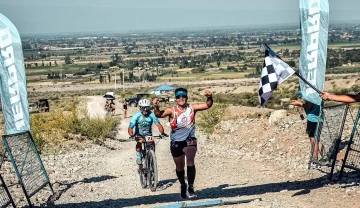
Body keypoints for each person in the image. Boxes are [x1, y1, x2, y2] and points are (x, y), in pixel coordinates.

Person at [152, 88, 213, 199]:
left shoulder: (192, 108)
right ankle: (183, 184)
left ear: (186, 97)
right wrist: (155, 106)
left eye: (183, 96)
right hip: (176, 142)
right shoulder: (172, 110)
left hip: (190, 139)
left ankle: (190, 186)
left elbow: (207, 105)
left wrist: (209, 97)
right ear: (176, 99)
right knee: (180, 167)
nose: (181, 99)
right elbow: (158, 115)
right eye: (178, 97)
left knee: (190, 161)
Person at [128, 99, 167, 165]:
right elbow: (130, 127)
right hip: (139, 134)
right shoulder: (136, 116)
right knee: (139, 142)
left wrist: (162, 132)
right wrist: (132, 135)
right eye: (143, 108)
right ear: (140, 108)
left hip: (149, 135)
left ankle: (151, 162)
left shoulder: (152, 115)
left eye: (147, 108)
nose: (145, 110)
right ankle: (138, 157)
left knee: (152, 147)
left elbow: (158, 125)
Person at [291, 99, 325, 168]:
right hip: (318, 118)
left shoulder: (312, 96)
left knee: (313, 139)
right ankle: (325, 157)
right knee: (316, 139)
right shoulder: (318, 93)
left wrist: (299, 104)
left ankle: (315, 161)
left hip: (313, 119)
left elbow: (309, 106)